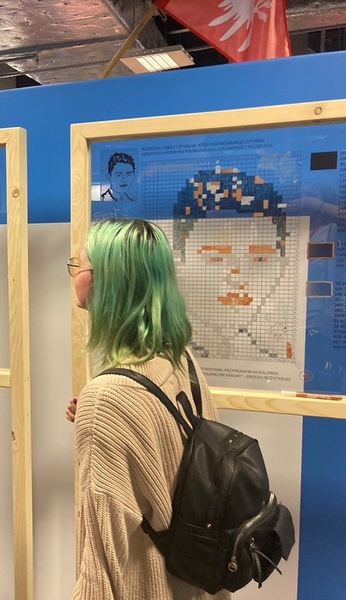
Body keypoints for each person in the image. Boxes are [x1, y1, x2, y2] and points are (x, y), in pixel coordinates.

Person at [65, 219, 230, 600]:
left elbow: (100, 568)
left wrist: (100, 412)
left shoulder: (108, 398)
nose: (75, 275)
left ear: (106, 282)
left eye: (80, 265)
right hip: (200, 585)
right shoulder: (180, 359)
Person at [172, 166, 292, 363]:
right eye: (216, 259)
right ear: (179, 262)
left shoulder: (277, 352)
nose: (237, 277)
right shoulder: (161, 357)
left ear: (281, 265)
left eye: (259, 259)